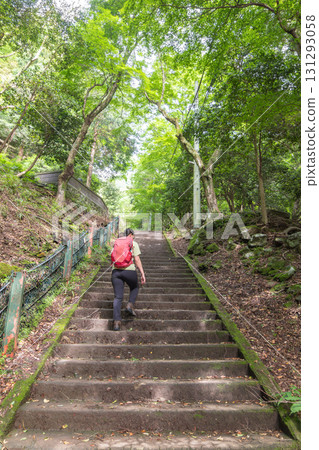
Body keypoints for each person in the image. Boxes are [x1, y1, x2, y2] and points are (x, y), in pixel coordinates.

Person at [111, 228, 146, 331]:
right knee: (135, 287)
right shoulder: (133, 243)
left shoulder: (116, 243)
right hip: (129, 271)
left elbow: (112, 256)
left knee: (118, 297)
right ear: (131, 234)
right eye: (133, 235)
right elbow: (137, 259)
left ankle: (116, 323)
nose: (134, 237)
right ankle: (130, 305)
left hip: (116, 272)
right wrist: (142, 273)